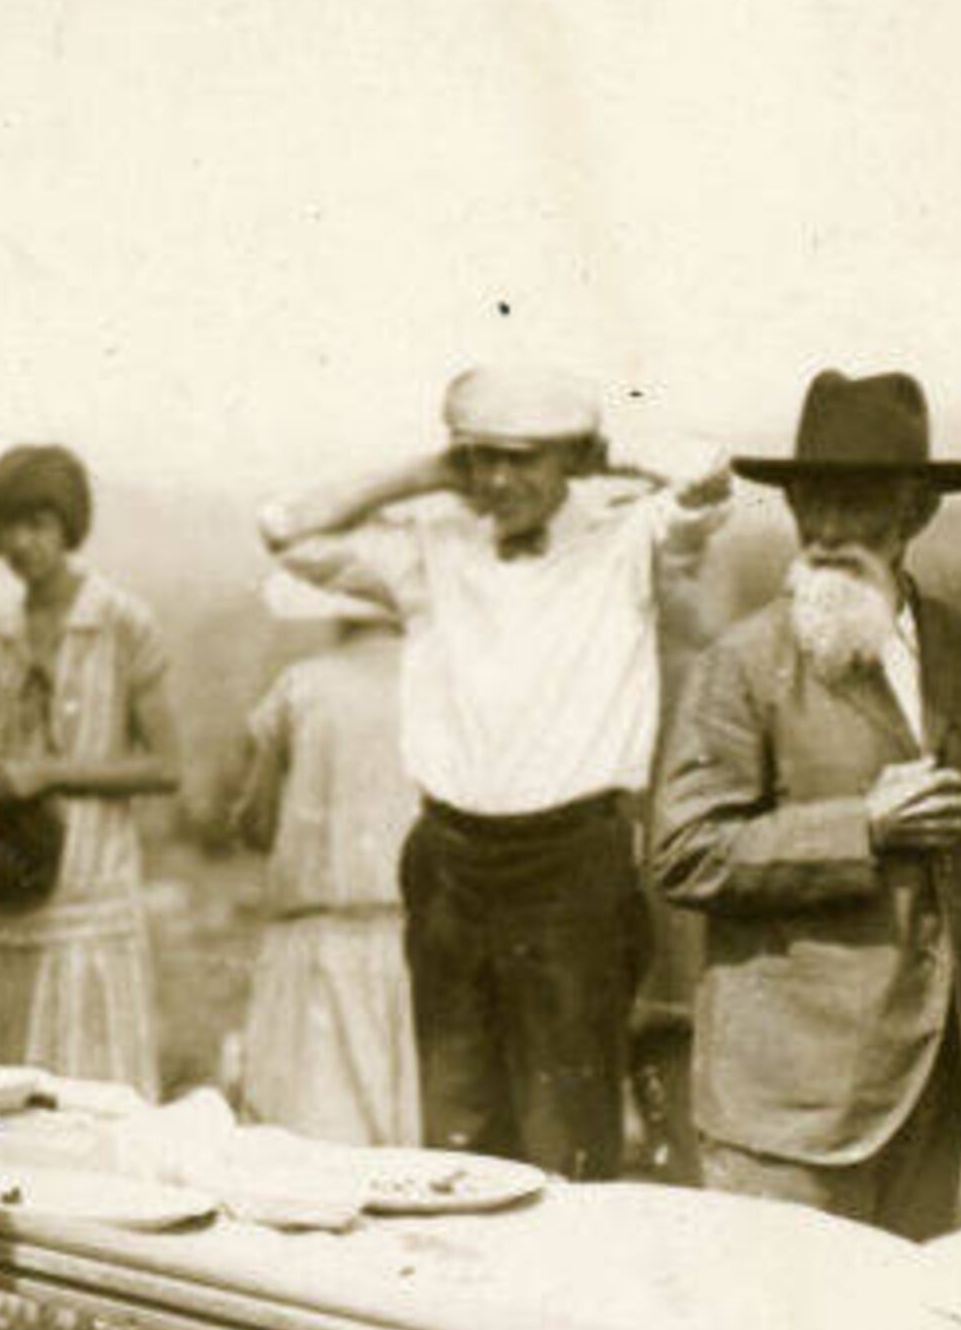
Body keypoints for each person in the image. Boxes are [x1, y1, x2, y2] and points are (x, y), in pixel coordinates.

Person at [648, 367, 961, 1330]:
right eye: (811, 503)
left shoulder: (960, 651)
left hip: (927, 1083)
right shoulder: (745, 663)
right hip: (788, 1095)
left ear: (916, 515)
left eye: (860, 501)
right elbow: (681, 853)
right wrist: (859, 829)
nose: (830, 529)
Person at [262, 364, 731, 1179]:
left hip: (573, 865)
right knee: (458, 1137)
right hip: (450, 864)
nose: (500, 480)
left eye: (524, 458)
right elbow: (286, 528)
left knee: (568, 1140)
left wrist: (598, 455)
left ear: (571, 459)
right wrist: (430, 472)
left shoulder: (626, 539)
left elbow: (705, 479)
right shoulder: (430, 551)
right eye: (483, 459)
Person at [0, 444, 177, 1090]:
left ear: (68, 527)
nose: (22, 542)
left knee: (81, 1098)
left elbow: (167, 766)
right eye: (7, 527)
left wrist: (51, 773)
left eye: (38, 524)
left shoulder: (122, 623)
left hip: (86, 898)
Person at [227, 573, 418, 1145]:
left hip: (315, 937)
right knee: (408, 1135)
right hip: (415, 939)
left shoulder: (301, 687)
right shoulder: (443, 680)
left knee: (308, 1132)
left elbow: (257, 823)